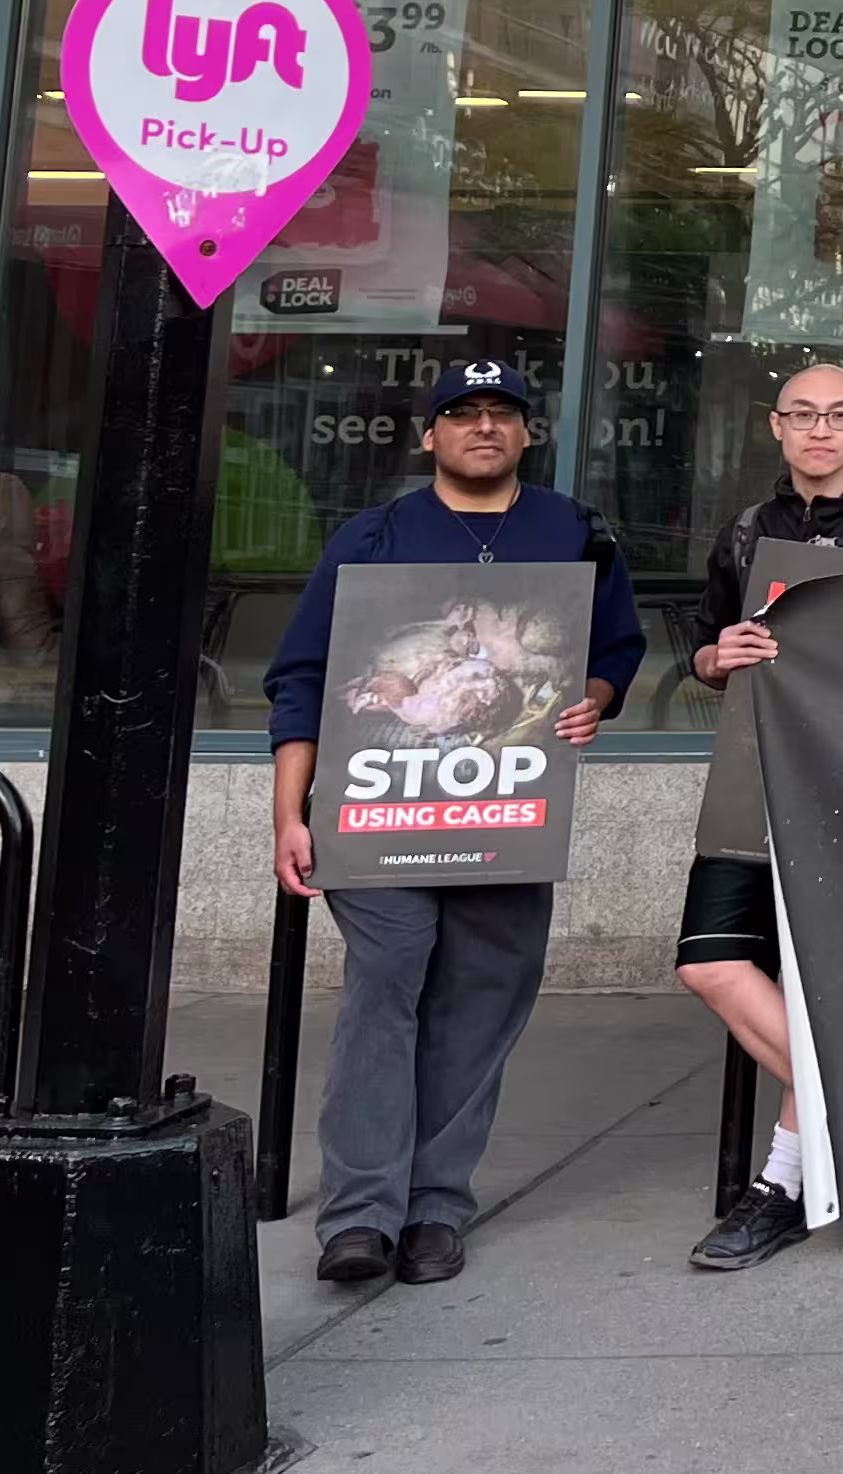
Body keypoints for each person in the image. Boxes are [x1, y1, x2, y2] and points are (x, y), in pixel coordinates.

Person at [265, 360, 644, 1290]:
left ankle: (435, 1206)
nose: (483, 426)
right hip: (377, 808)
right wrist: (288, 813)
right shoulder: (375, 535)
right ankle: (360, 1214)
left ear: (526, 433)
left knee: (479, 1001)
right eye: (462, 413)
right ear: (429, 435)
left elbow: (615, 648)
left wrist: (594, 700)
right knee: (384, 990)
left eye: (501, 412)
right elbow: (304, 675)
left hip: (509, 804)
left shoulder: (574, 531)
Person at [673, 362, 843, 1271]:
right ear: (777, 426)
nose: (820, 430)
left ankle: (782, 1184)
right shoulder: (746, 531)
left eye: (838, 416)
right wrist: (719, 655)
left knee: (823, 983)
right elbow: (702, 655)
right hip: (755, 776)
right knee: (709, 961)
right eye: (803, 415)